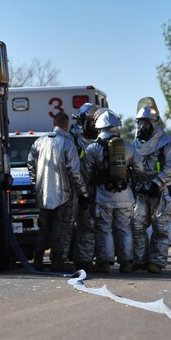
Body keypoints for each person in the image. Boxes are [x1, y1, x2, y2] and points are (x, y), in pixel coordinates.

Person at [27, 111, 87, 272]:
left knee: (44, 227)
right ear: (66, 125)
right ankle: (58, 261)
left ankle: (38, 259)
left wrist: (37, 184)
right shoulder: (67, 144)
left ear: (54, 123)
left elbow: (30, 164)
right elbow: (74, 172)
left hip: (44, 194)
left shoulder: (38, 142)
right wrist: (83, 193)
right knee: (63, 229)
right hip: (64, 195)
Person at [82, 108, 138, 273]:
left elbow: (85, 173)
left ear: (99, 127)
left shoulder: (93, 149)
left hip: (103, 197)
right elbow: (140, 169)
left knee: (104, 229)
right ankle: (127, 263)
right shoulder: (128, 147)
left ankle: (104, 263)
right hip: (126, 196)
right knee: (124, 228)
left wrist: (85, 193)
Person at [131, 98, 171, 274]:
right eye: (139, 123)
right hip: (140, 190)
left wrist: (157, 183)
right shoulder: (135, 143)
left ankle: (156, 262)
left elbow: (170, 166)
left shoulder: (166, 141)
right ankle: (140, 260)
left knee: (160, 226)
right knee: (136, 224)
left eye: (144, 123)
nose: (141, 126)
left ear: (152, 123)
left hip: (161, 190)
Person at [69, 103, 100, 271]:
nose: (95, 127)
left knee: (88, 224)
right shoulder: (71, 139)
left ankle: (85, 259)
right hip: (74, 189)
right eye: (91, 122)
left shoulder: (98, 141)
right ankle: (70, 259)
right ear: (82, 122)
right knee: (70, 225)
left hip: (91, 188)